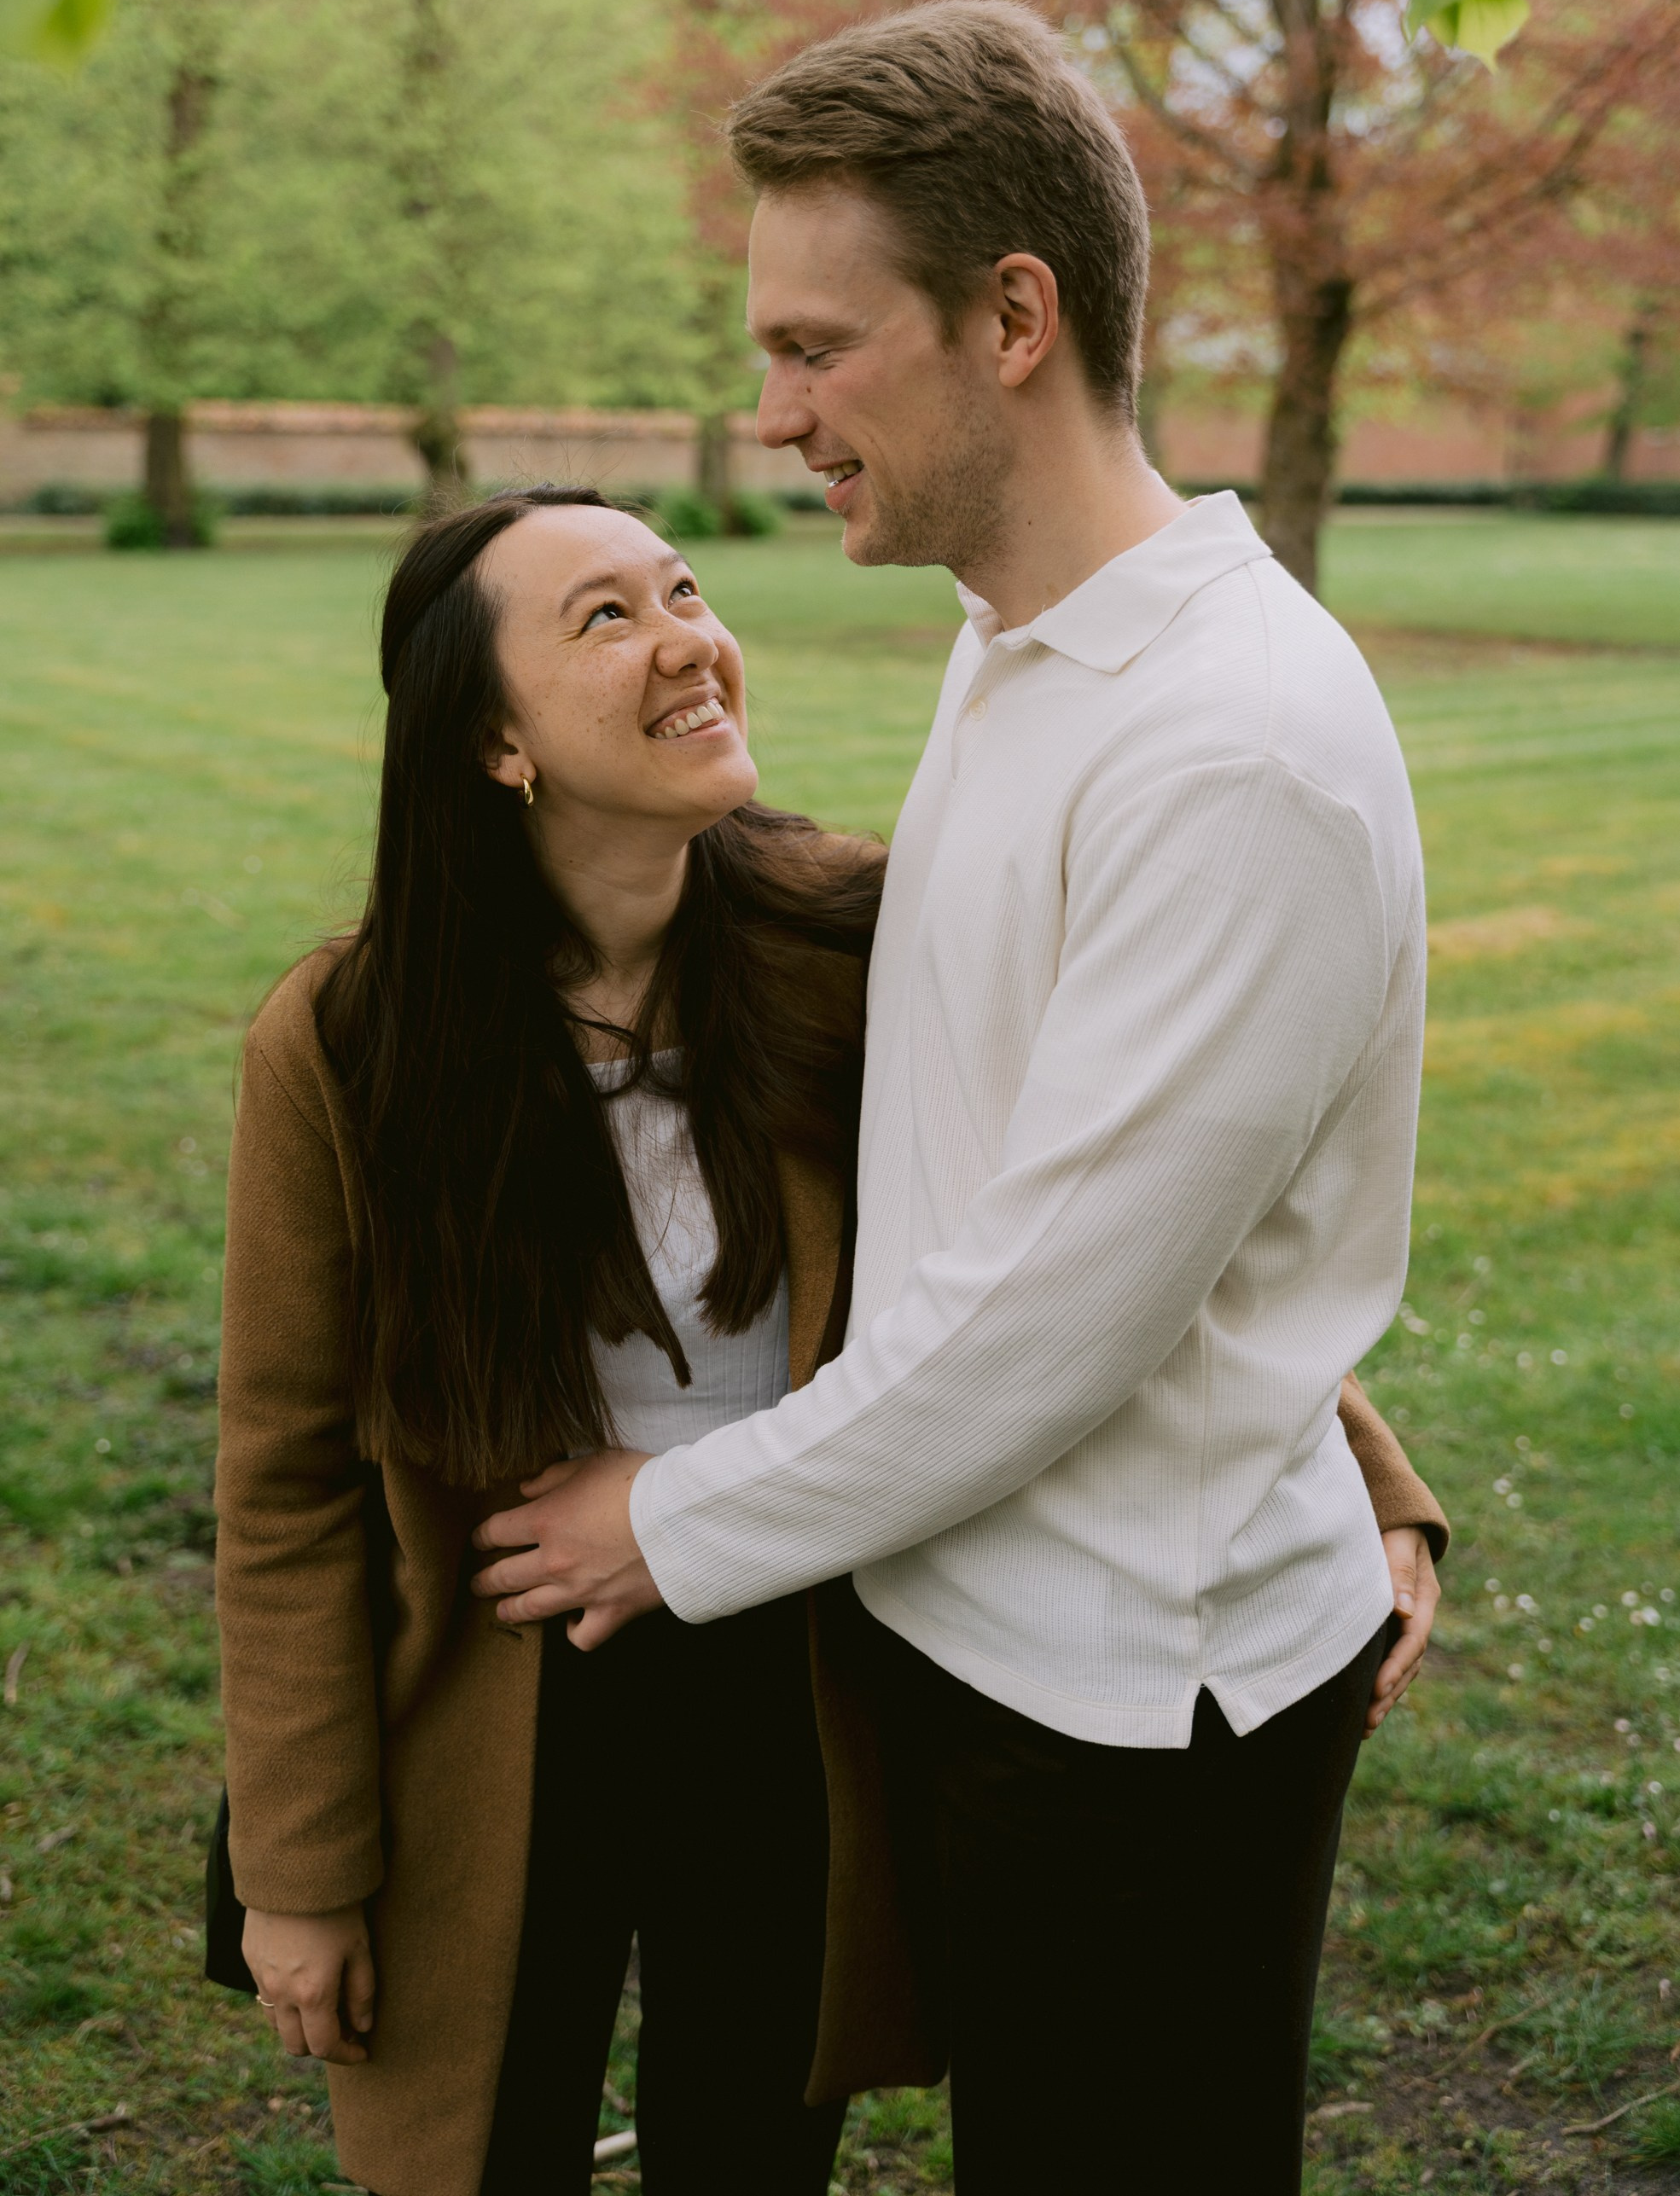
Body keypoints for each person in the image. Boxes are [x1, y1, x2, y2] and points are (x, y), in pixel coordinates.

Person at [467, 0, 1449, 2195]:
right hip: (970, 1640)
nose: (773, 411)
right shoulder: (1023, 643)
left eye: (818, 347)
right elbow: (1026, 1145)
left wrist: (675, 1520)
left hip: (1137, 1711)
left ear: (1013, 317)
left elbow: (1051, 1318)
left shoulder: (1236, 744)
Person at [214, 480, 1442, 2196]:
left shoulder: (854, 933)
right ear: (494, 742)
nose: (690, 640)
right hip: (498, 1681)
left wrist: (1363, 1462)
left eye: (684, 586)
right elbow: (280, 1482)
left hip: (789, 1659)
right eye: (605, 618)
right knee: (482, 2140)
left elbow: (1116, 1224)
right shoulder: (349, 1042)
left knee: (749, 2144)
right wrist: (298, 1867)